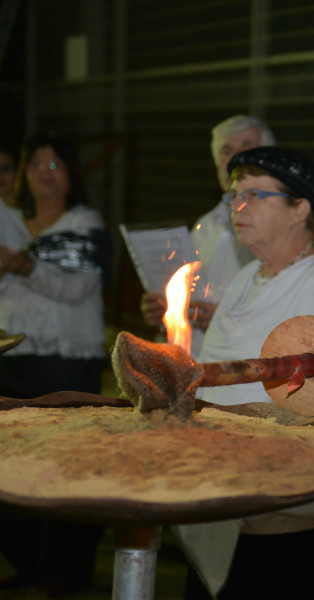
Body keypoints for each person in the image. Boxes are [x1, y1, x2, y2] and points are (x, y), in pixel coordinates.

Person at [176, 146, 314, 600]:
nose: (238, 207)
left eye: (256, 195)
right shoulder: (248, 276)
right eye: (235, 196)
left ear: (300, 208)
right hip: (222, 488)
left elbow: (309, 399)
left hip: (281, 504)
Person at [0, 134, 111, 595]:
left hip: (66, 363)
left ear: (71, 173)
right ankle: (28, 564)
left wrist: (20, 267)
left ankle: (68, 573)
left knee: (67, 467)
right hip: (11, 360)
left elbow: (77, 290)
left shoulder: (85, 222)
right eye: (36, 166)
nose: (45, 174)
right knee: (11, 468)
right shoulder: (7, 220)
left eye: (55, 165)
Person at [139, 115, 314, 355]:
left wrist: (222, 322)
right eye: (226, 150)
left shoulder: (298, 231)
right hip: (198, 361)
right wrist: (168, 311)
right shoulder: (206, 225)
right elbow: (188, 292)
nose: (236, 158)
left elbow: (302, 327)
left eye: (247, 147)